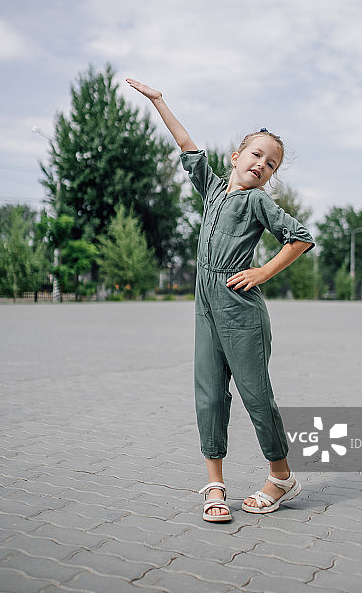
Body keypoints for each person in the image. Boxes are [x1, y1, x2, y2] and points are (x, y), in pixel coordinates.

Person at [126, 79, 315, 522]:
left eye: (271, 164)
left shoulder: (257, 203)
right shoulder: (212, 190)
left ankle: (281, 477)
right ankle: (215, 483)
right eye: (256, 155)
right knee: (209, 395)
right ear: (236, 156)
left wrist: (262, 270)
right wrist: (158, 101)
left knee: (254, 395)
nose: (262, 165)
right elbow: (186, 143)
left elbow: (301, 237)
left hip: (240, 312)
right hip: (205, 307)